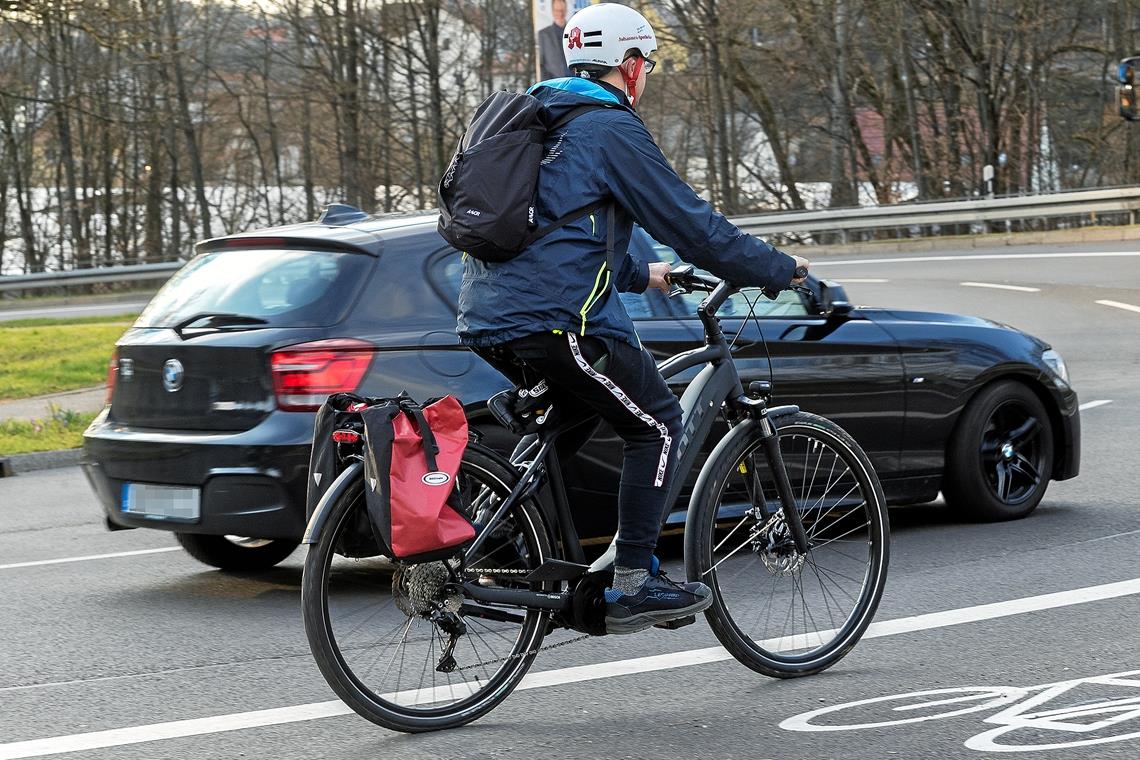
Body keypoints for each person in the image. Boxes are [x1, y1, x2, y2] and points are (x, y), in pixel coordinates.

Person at [456, 2, 810, 634]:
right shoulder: (609, 127)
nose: (645, 73)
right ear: (628, 64)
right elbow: (694, 228)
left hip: (486, 314)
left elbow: (560, 236)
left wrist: (646, 274)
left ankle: (500, 542)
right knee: (659, 425)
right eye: (645, 61)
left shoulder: (543, 118)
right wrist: (780, 269)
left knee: (577, 412)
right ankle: (634, 582)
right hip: (559, 320)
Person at [537, 0, 571, 81]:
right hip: (555, 83)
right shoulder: (543, 34)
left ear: (566, 11)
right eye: (557, 10)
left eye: (562, 10)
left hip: (575, 82)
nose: (560, 13)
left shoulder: (574, 31)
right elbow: (542, 64)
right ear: (552, 11)